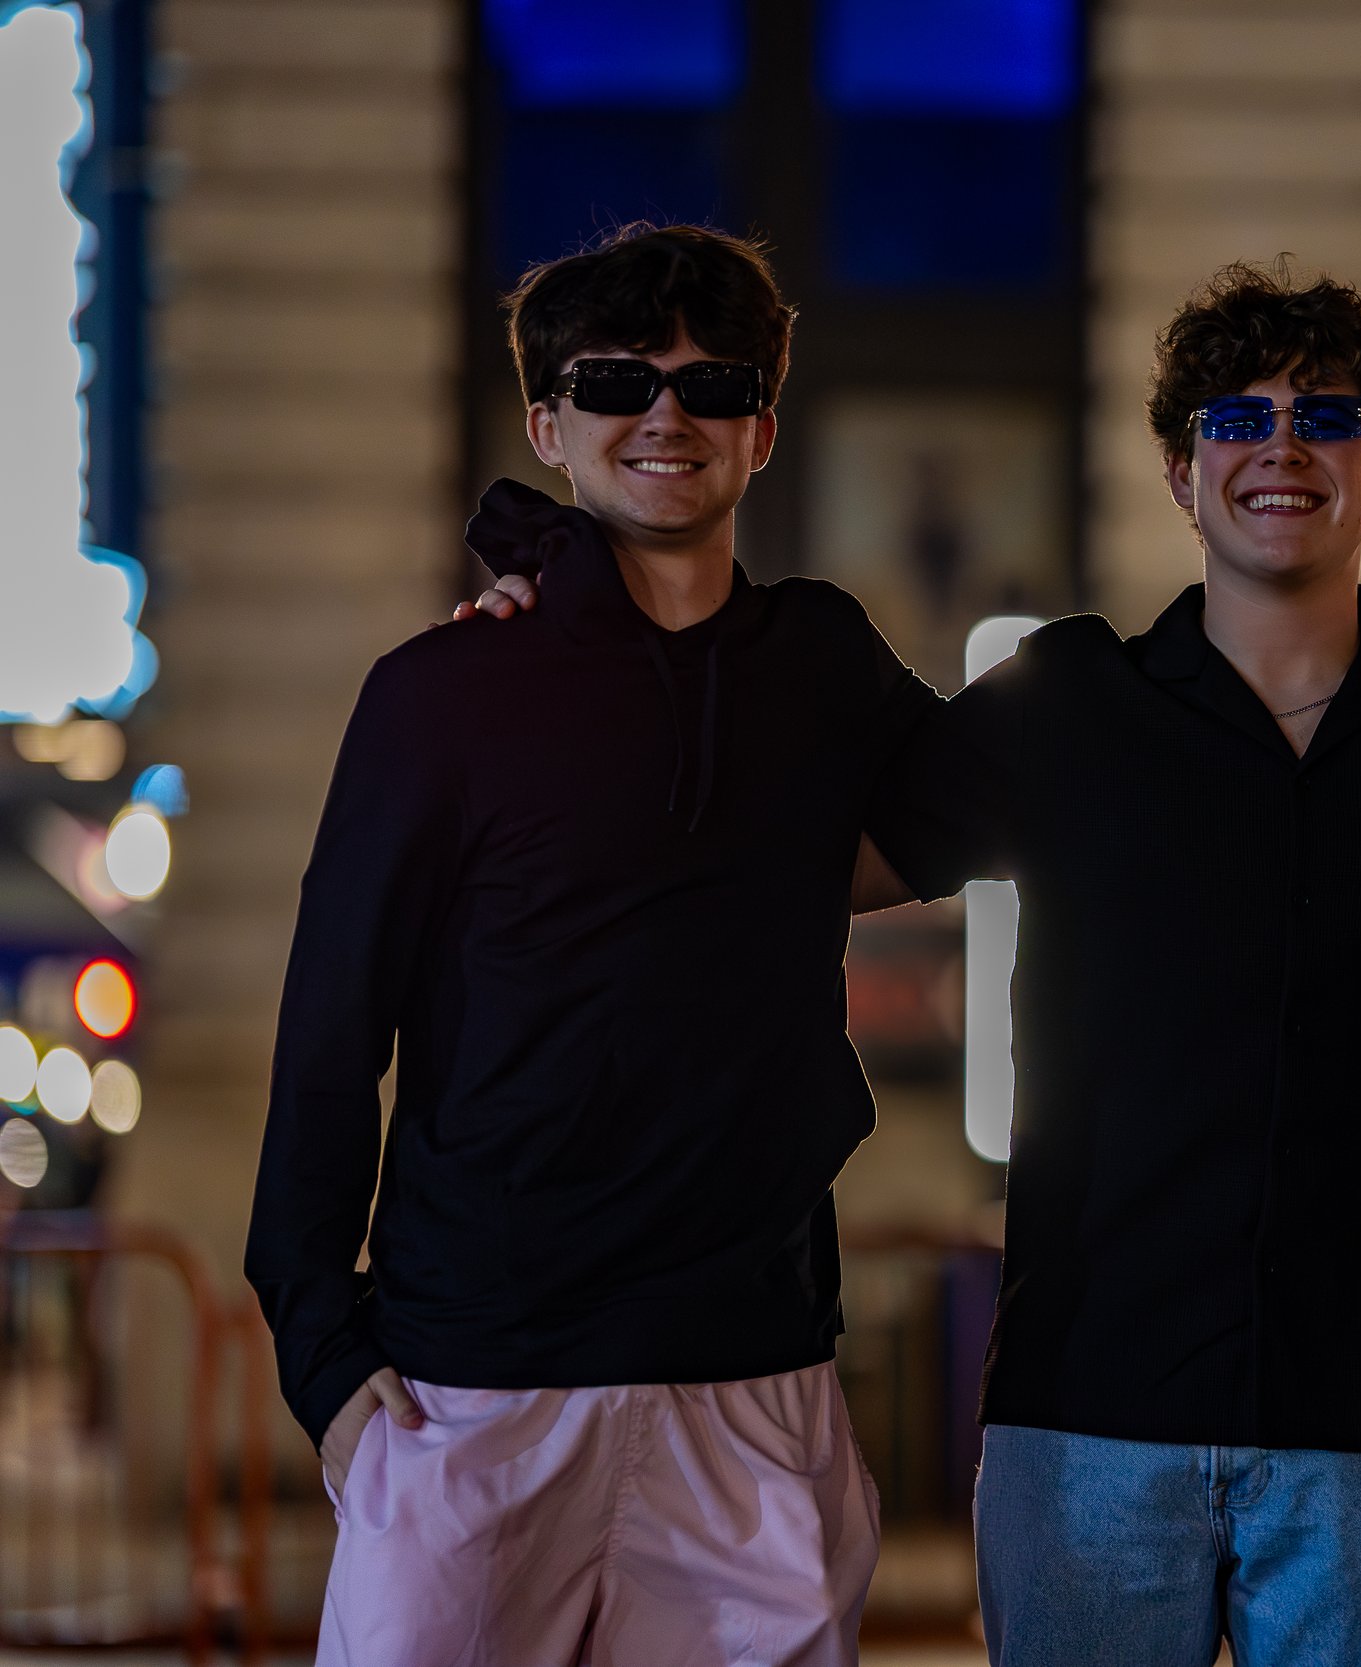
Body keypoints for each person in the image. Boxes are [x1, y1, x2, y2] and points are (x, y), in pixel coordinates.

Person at [471, 260, 1361, 1667]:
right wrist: (565, 654)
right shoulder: (1072, 704)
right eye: (1232, 418)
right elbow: (777, 862)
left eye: (1325, 420)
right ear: (1180, 472)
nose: (1277, 447)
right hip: (1090, 1418)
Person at [244, 224, 929, 1667]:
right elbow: (328, 1026)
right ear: (552, 426)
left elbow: (1005, 815)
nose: (666, 416)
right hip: (471, 1390)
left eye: (712, 383)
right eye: (616, 383)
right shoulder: (442, 693)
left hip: (755, 1384)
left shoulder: (822, 664)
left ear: (765, 428)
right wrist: (326, 1356)